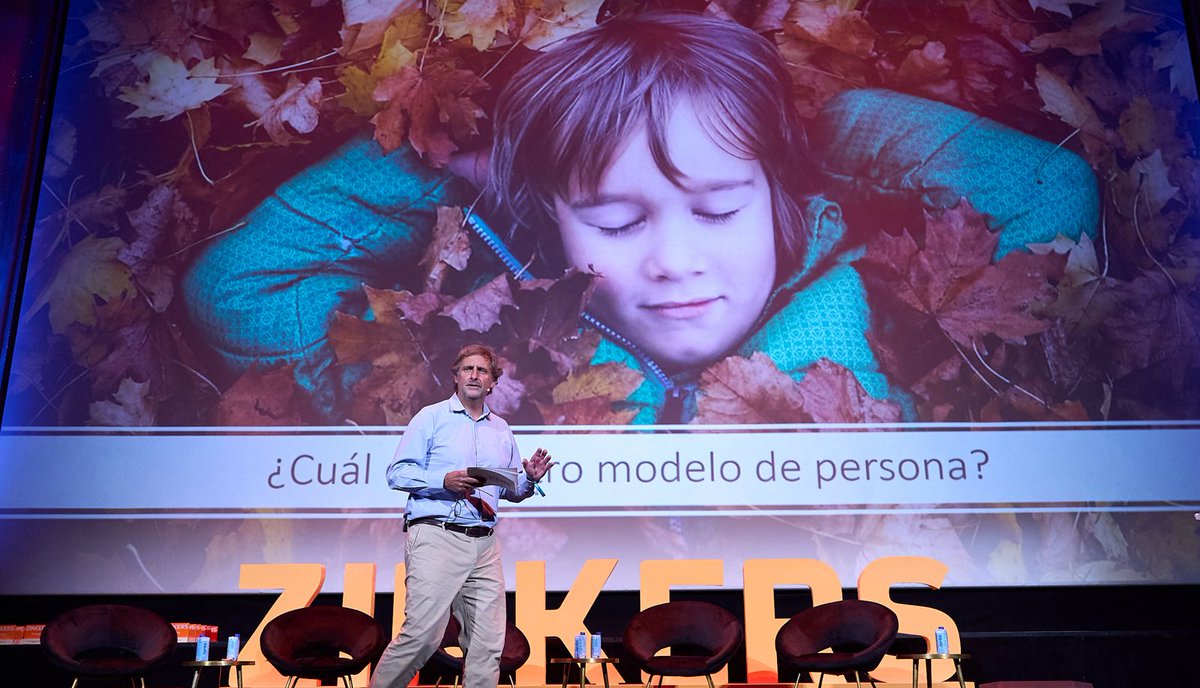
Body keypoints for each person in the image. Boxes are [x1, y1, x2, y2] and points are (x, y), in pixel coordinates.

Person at [182, 10, 1098, 425]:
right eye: (616, 221)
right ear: (548, 225)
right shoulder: (470, 372)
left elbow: (1049, 194)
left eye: (719, 206)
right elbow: (238, 288)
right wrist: (464, 173)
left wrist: (825, 131)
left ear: (780, 197)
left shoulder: (905, 312)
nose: (675, 258)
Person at [332, 343, 554, 688]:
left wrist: (528, 479)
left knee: (487, 646)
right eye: (467, 369)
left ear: (494, 380)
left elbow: (509, 490)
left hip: (485, 541)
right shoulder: (431, 418)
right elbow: (398, 473)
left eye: (483, 370)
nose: (474, 376)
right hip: (437, 535)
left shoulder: (501, 429)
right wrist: (442, 480)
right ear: (455, 376)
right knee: (421, 637)